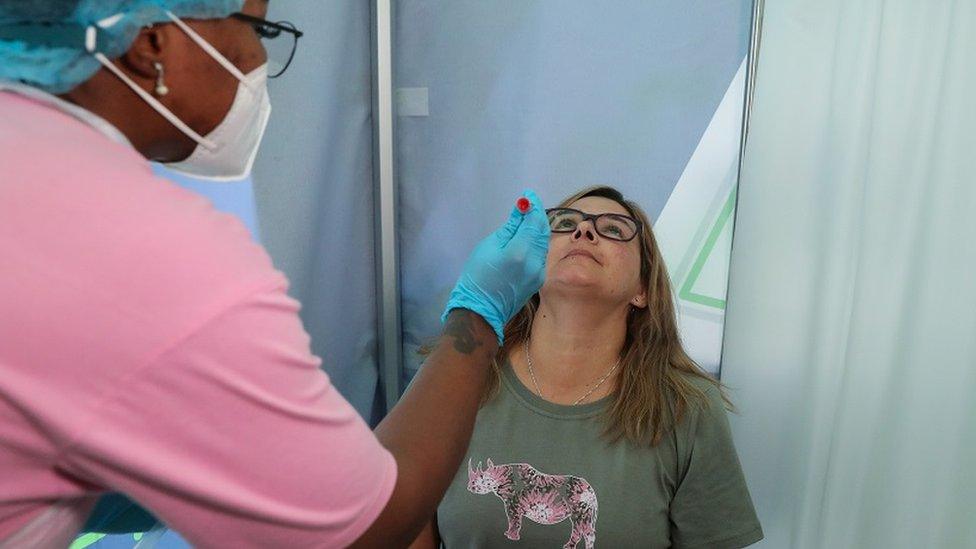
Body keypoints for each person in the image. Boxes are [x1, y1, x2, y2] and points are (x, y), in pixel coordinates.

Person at [0, 1, 550, 547]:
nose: (259, 59)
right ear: (150, 44)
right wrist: (480, 312)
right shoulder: (155, 250)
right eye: (258, 29)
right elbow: (366, 530)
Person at [409, 186, 763, 549]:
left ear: (642, 288)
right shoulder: (453, 379)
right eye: (565, 223)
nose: (584, 231)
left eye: (612, 229)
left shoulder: (689, 409)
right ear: (532, 269)